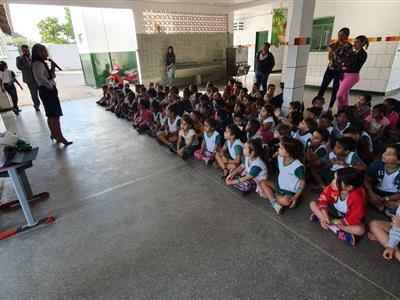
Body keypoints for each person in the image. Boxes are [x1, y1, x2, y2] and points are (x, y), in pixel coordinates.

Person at [309, 168, 367, 247]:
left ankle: (323, 221)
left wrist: (332, 221)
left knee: (360, 230)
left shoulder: (357, 198)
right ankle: (336, 229)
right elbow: (323, 200)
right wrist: (325, 216)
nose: (332, 182)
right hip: (332, 210)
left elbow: (353, 219)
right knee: (312, 204)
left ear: (349, 187)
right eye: (334, 178)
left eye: (336, 181)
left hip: (345, 217)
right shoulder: (332, 186)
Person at [31, 44, 72, 145]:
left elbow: (50, 76)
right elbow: (40, 77)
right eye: (45, 51)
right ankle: (60, 137)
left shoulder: (41, 63)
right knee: (54, 116)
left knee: (51, 115)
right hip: (47, 91)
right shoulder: (37, 64)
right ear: (39, 53)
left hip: (47, 90)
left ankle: (54, 134)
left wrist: (52, 68)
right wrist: (49, 86)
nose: (47, 54)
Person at [260, 136, 305, 214]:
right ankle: (275, 203)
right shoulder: (280, 158)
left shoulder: (298, 166)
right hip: (279, 185)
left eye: (281, 148)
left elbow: (302, 182)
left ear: (289, 152)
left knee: (287, 202)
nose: (278, 149)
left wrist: (296, 197)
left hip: (290, 191)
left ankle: (271, 196)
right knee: (262, 182)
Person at [318, 28, 353, 110]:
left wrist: (340, 64)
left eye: (342, 35)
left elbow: (348, 59)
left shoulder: (349, 47)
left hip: (340, 71)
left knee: (335, 89)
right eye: (338, 35)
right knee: (323, 86)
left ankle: (330, 108)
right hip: (330, 68)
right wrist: (335, 62)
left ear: (346, 36)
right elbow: (329, 57)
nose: (339, 37)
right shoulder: (333, 45)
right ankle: (317, 104)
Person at [365, 143, 400, 217]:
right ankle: (382, 207)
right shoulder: (377, 164)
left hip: (393, 196)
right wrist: (372, 194)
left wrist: (386, 199)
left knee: (397, 205)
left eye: (389, 154)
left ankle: (379, 206)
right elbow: (367, 180)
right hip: (376, 192)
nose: (384, 154)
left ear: (398, 161)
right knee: (364, 194)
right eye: (385, 152)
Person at [336, 35, 368, 108]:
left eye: (357, 42)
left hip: (352, 76)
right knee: (345, 94)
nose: (354, 44)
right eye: (354, 42)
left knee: (339, 95)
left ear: (363, 43)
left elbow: (352, 63)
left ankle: (342, 109)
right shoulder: (353, 53)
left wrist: (347, 56)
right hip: (343, 75)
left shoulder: (363, 54)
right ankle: (344, 110)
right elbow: (341, 61)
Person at [16, 44, 41, 111]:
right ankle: (36, 106)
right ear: (22, 50)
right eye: (24, 50)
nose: (26, 52)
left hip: (37, 77)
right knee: (34, 93)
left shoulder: (32, 56)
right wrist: (28, 64)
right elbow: (19, 67)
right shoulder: (19, 58)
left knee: (42, 91)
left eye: (27, 50)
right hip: (29, 79)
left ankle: (44, 103)